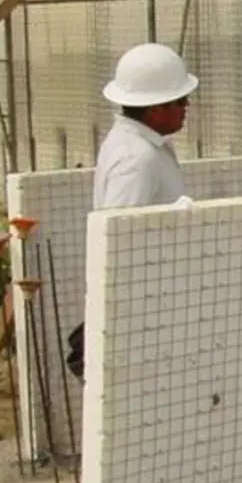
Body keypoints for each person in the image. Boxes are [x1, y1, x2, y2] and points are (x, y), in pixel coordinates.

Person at [66, 43, 198, 382]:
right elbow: (121, 241)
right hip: (144, 314)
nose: (187, 107)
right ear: (154, 109)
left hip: (156, 307)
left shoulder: (140, 146)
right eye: (180, 100)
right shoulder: (136, 160)